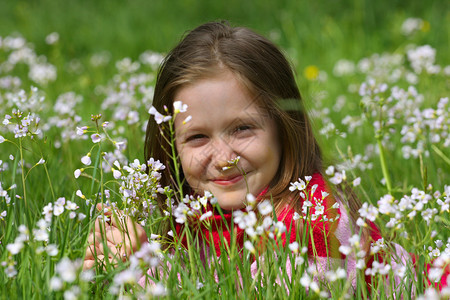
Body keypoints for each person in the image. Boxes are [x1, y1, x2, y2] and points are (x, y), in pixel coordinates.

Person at [84, 21, 448, 293]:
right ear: (171, 147)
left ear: (284, 127)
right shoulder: (196, 212)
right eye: (197, 137)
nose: (224, 157)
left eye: (242, 128)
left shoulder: (318, 218)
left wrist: (142, 270)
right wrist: (117, 263)